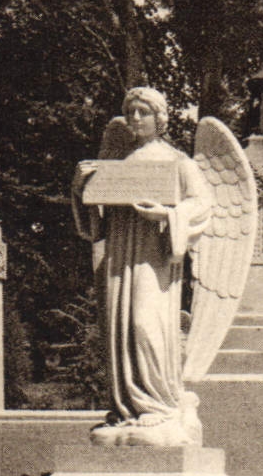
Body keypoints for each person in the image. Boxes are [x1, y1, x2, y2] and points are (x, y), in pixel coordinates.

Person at [72, 87, 212, 446]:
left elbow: (202, 206)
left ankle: (159, 405)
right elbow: (95, 226)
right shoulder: (117, 165)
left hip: (154, 256)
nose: (136, 119)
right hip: (121, 256)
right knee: (121, 330)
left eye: (144, 112)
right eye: (131, 112)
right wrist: (79, 190)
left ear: (160, 118)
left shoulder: (179, 162)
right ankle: (127, 410)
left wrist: (167, 213)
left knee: (144, 324)